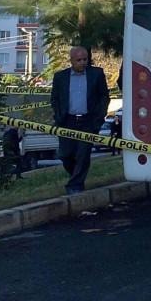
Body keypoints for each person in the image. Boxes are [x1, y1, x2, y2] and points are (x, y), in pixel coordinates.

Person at [50, 46, 110, 194]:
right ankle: (76, 176)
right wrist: (58, 115)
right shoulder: (60, 77)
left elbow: (104, 96)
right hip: (67, 121)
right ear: (71, 60)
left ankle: (75, 186)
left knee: (83, 155)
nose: (82, 62)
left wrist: (99, 117)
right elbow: (55, 98)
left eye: (85, 59)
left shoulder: (96, 74)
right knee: (65, 155)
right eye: (79, 60)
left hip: (88, 122)